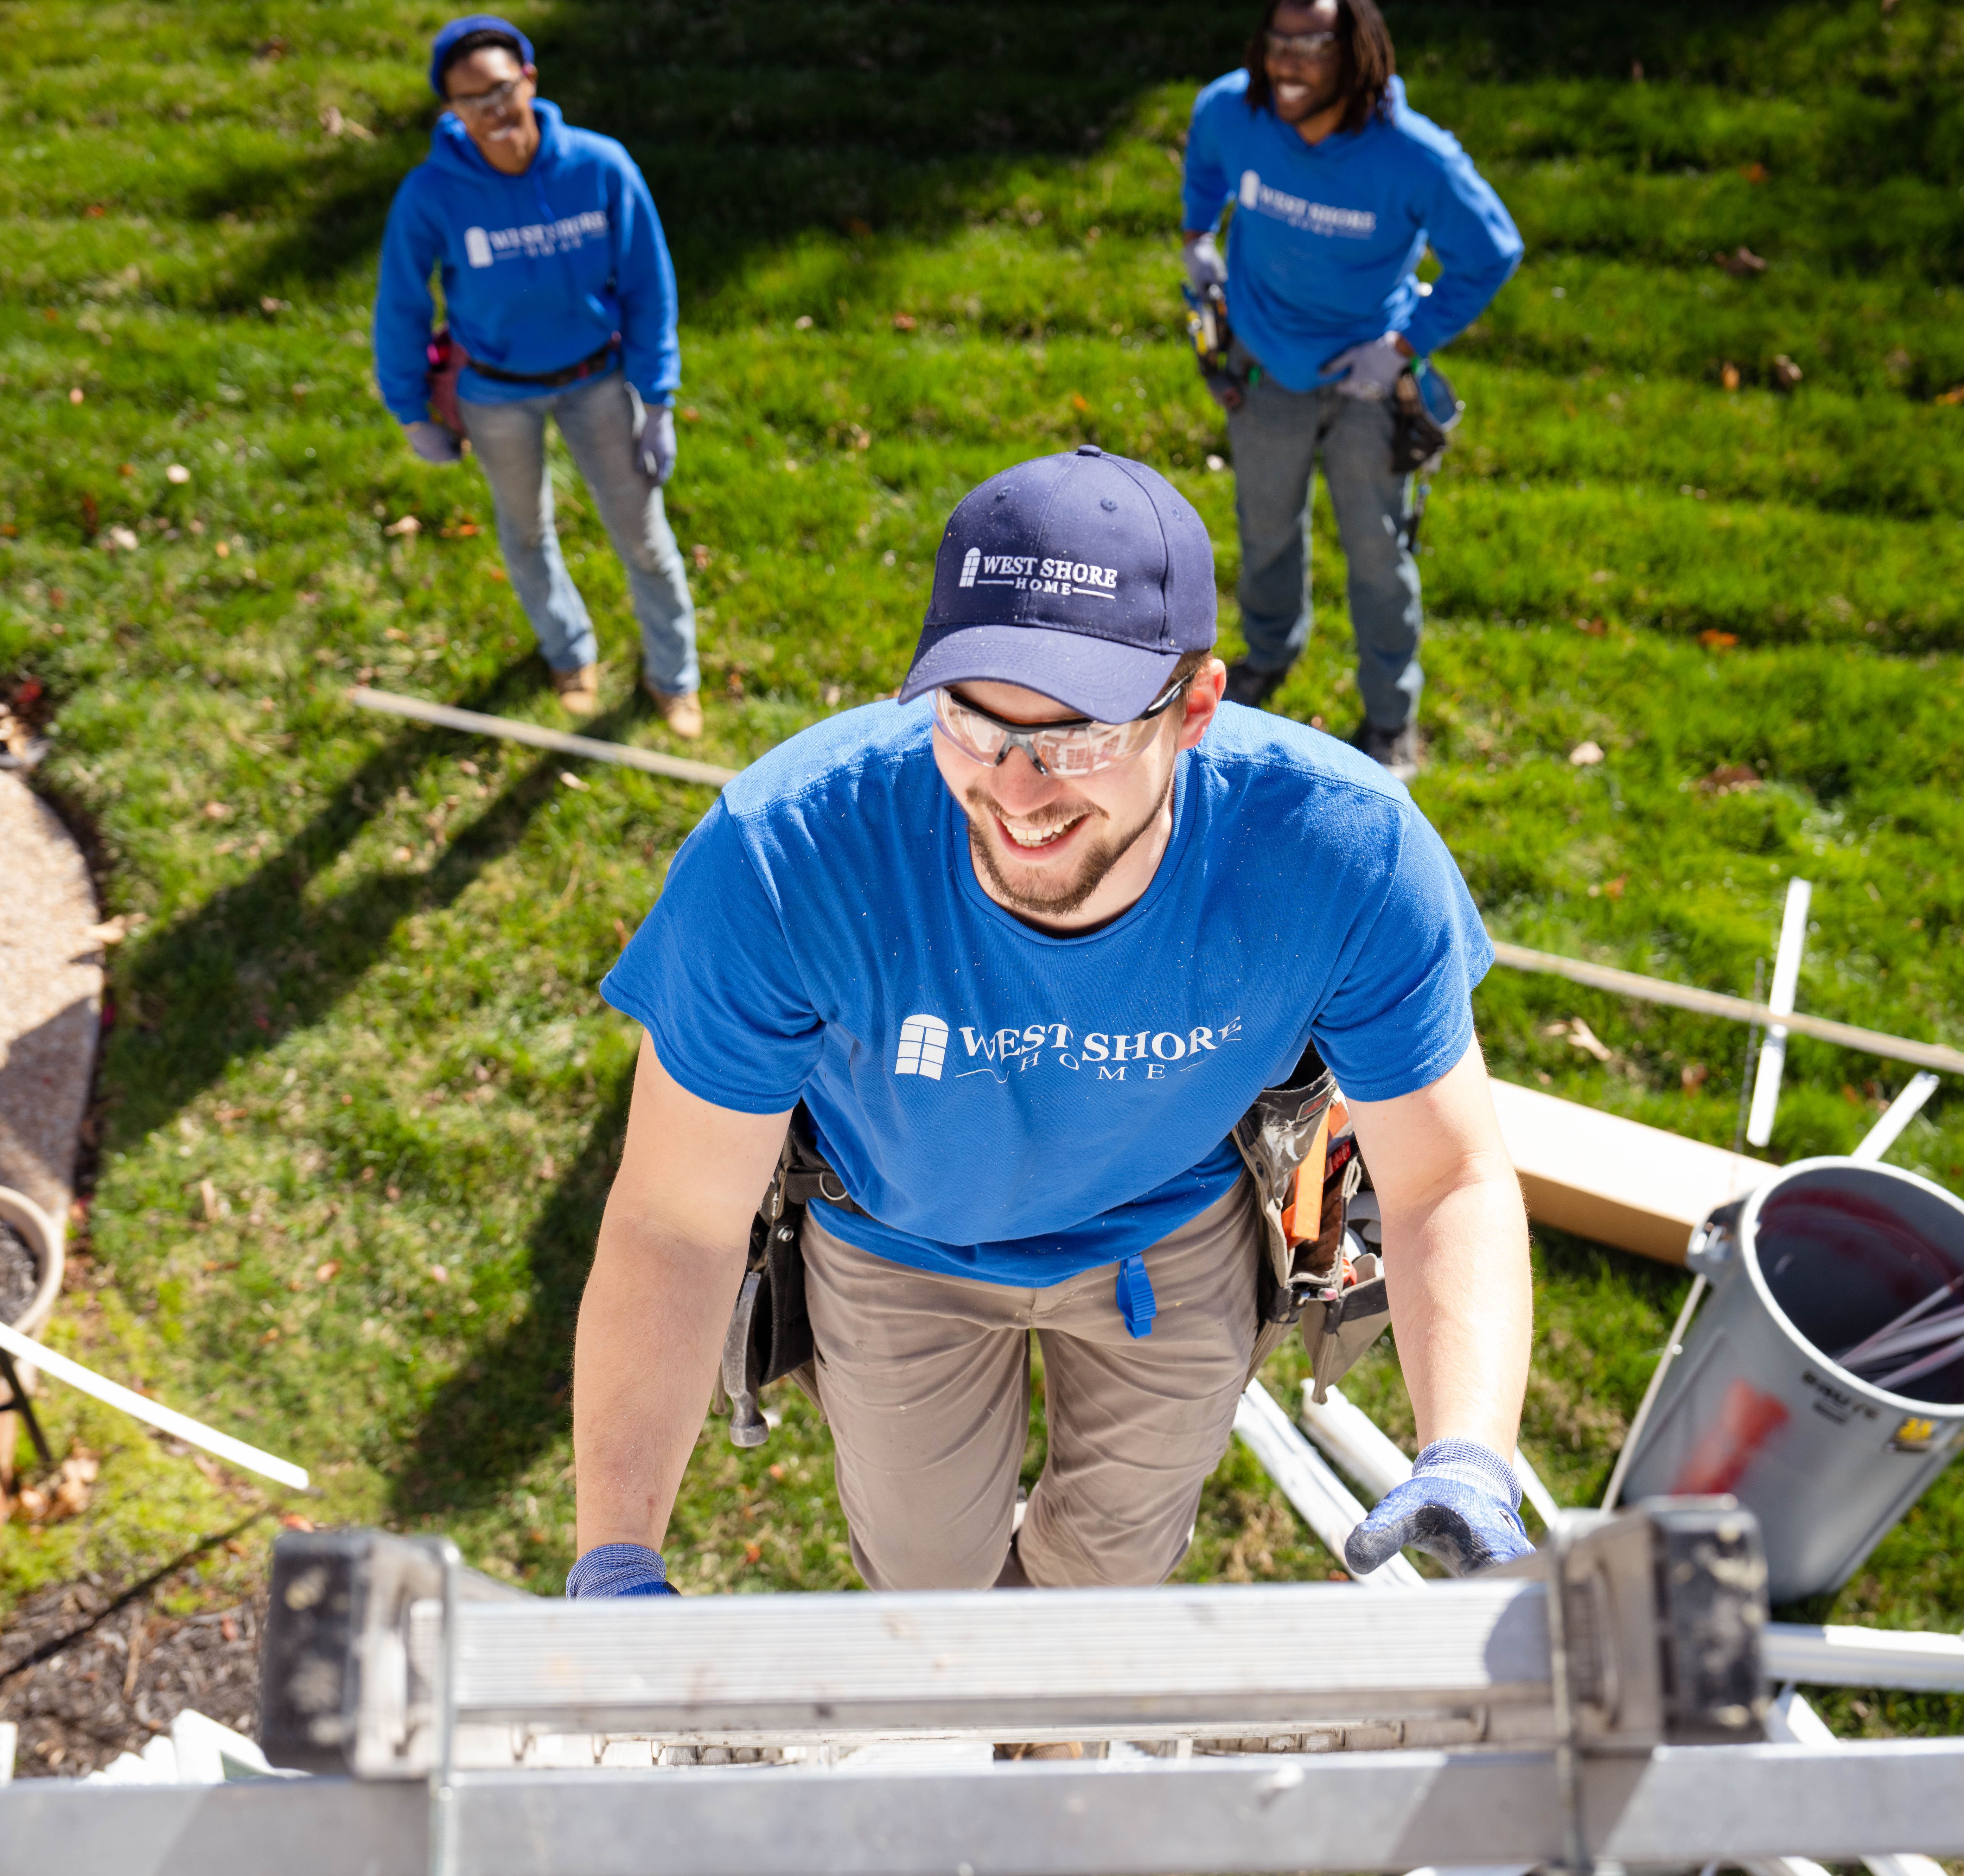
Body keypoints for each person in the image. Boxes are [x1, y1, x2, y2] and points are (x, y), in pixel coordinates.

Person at [564, 444, 1534, 1599]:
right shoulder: (788, 858)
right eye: (975, 728)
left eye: (1077, 741)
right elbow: (676, 1220)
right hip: (896, 1241)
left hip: (1171, 1234)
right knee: (928, 1588)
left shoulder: (1342, 857)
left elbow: (1446, 1180)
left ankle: (1054, 1733)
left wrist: (1469, 1453)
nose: (1019, 793)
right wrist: (616, 1553)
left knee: (1102, 1579)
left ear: (1197, 708)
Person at [1180, 0, 1523, 781]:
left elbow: (1491, 251)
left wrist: (1402, 347)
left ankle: (1390, 716)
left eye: (1312, 44)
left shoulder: (1414, 157)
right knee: (1264, 528)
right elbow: (1204, 166)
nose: (1287, 61)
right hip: (1265, 371)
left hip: (1367, 391)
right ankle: (1267, 659)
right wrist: (1198, 235)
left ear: (1359, 51)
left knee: (1377, 555)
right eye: (1277, 40)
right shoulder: (1231, 112)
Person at [374, 15, 702, 737]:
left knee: (643, 535)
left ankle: (673, 677)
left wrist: (656, 399)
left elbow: (651, 285)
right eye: (469, 101)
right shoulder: (431, 194)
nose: (491, 112)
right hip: (493, 392)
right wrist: (410, 411)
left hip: (597, 381)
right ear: (450, 111)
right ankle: (568, 653)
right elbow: (401, 303)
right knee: (525, 532)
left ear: (528, 79)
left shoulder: (600, 167)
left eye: (499, 89)